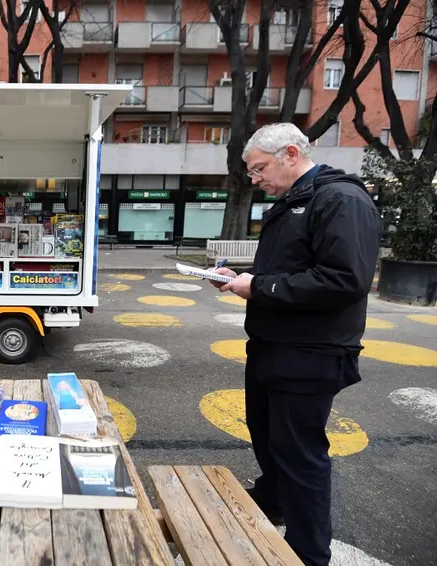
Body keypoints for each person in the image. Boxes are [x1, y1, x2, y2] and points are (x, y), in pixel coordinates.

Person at [210, 123, 381, 566]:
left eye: (259, 168)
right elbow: (291, 266)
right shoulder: (293, 201)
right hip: (271, 345)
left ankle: (308, 553)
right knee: (267, 437)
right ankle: (273, 499)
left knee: (300, 455)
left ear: (290, 153)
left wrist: (260, 287)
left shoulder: (340, 200)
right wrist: (241, 277)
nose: (255, 179)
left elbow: (346, 280)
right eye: (250, 172)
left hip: (310, 353)